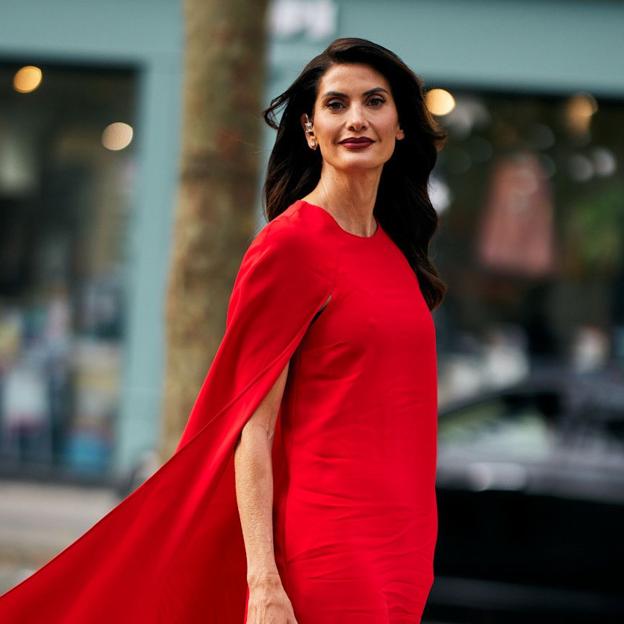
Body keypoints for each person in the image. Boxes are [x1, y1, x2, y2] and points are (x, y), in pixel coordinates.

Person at [0, 37, 447, 623]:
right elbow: (250, 430)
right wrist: (262, 580)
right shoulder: (291, 247)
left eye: (375, 101)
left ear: (401, 125)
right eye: (336, 104)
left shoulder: (396, 254)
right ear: (310, 130)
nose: (356, 118)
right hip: (327, 545)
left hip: (403, 545)